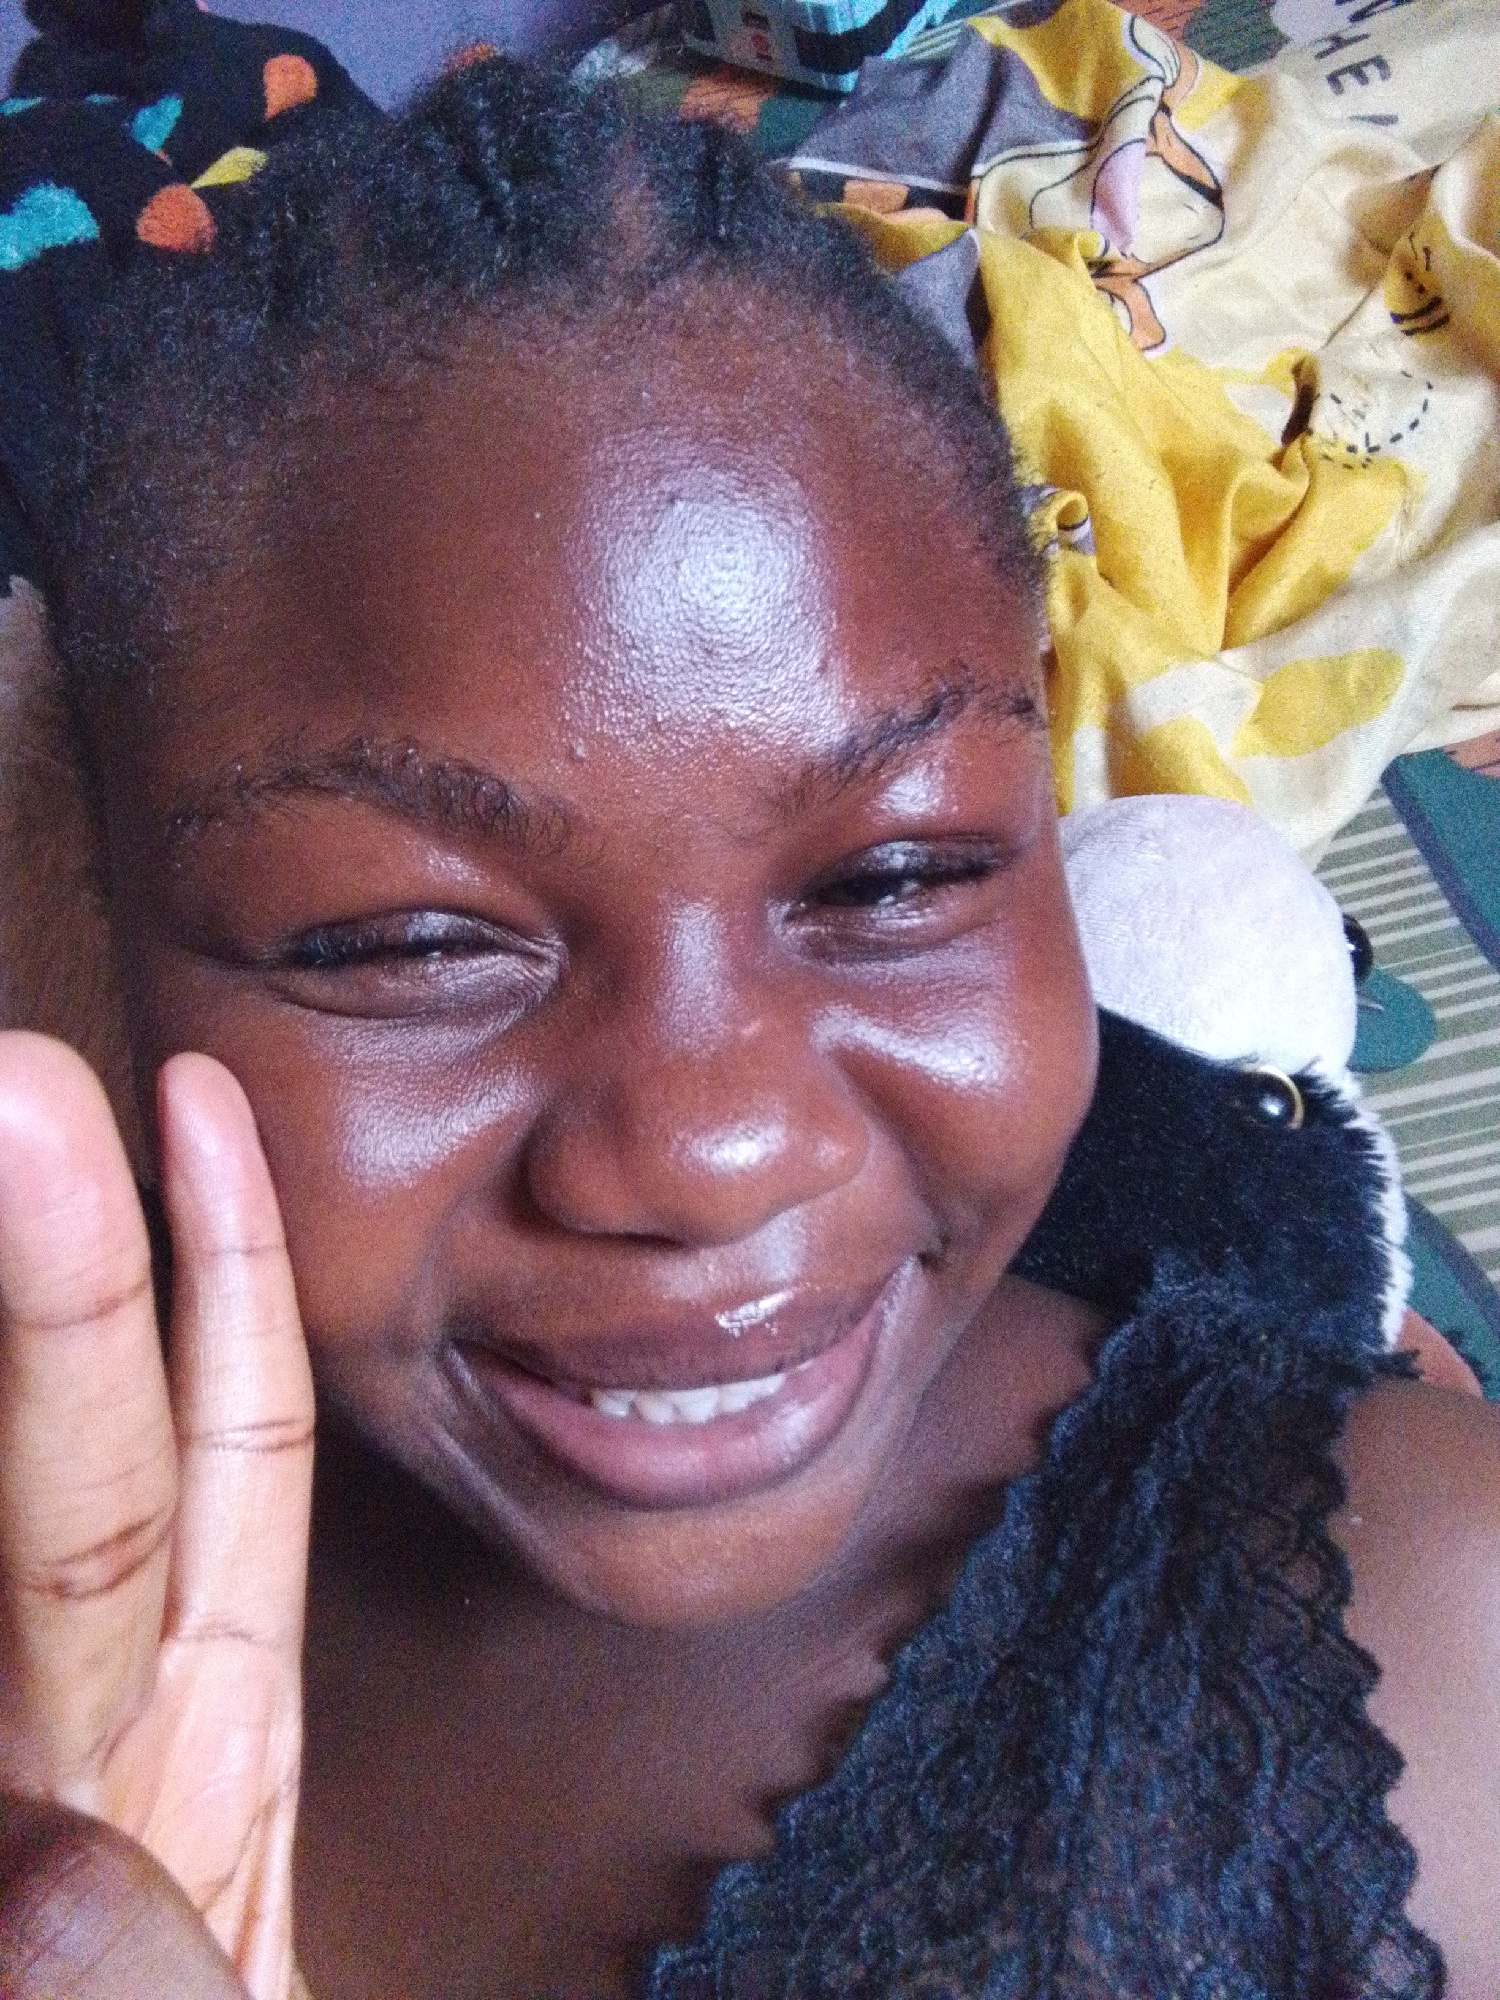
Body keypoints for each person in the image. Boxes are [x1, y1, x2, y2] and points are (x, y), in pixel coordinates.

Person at [1, 55, 1498, 2000]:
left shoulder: (1426, 1649)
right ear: (105, 926)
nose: (714, 1151)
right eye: (410, 943)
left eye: (895, 879)